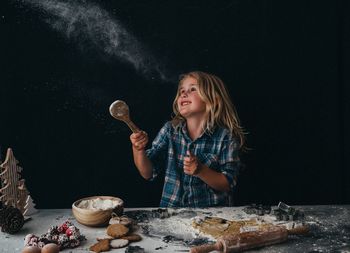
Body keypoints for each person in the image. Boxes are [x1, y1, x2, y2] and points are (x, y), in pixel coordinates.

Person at [130, 71, 246, 207]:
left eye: (192, 89)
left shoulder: (225, 137)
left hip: (212, 220)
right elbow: (147, 172)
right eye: (181, 91)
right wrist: (138, 149)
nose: (184, 94)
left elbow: (228, 183)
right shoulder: (169, 130)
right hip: (172, 216)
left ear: (213, 100)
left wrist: (201, 171)